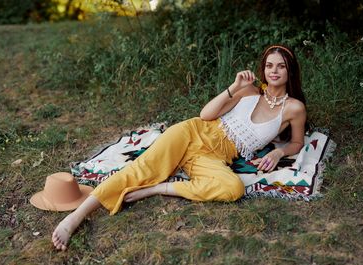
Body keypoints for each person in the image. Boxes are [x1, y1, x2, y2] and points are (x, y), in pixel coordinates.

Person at [52, 44, 307, 250]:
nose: (273, 71)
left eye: (281, 66)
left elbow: (296, 142)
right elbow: (206, 114)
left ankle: (155, 189)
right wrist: (234, 87)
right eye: (269, 65)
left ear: (289, 71)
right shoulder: (249, 91)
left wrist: (278, 151)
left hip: (215, 156)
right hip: (193, 131)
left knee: (233, 188)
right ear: (263, 69)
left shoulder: (294, 108)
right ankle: (74, 217)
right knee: (140, 168)